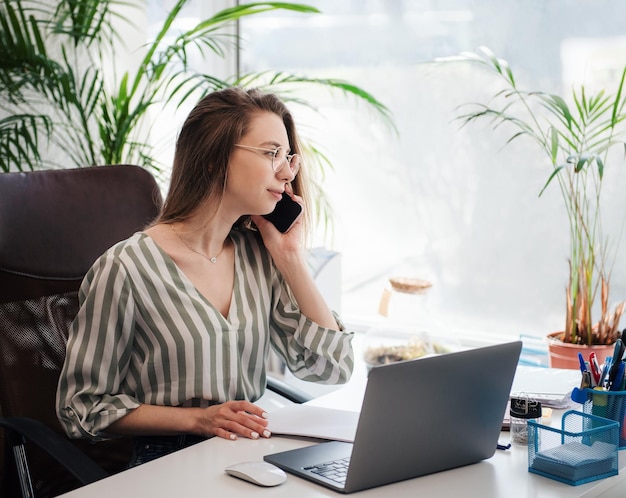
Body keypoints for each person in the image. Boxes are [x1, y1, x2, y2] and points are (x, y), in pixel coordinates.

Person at [56, 87, 355, 467]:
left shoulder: (259, 257)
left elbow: (332, 367)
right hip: (167, 462)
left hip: (250, 453)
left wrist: (291, 258)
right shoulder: (126, 267)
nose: (286, 172)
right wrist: (199, 419)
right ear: (214, 159)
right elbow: (79, 409)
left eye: (287, 156)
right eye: (271, 153)